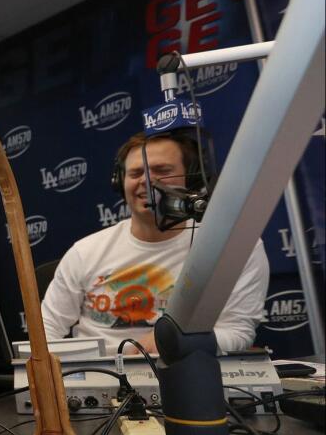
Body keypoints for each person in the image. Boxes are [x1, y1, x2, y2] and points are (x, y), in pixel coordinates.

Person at [41, 130, 268, 355]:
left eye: (162, 170)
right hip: (101, 376)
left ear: (192, 179)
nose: (146, 181)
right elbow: (46, 331)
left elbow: (238, 331)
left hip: (192, 375)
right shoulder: (85, 252)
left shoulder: (234, 246)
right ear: (120, 183)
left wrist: (174, 343)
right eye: (136, 173)